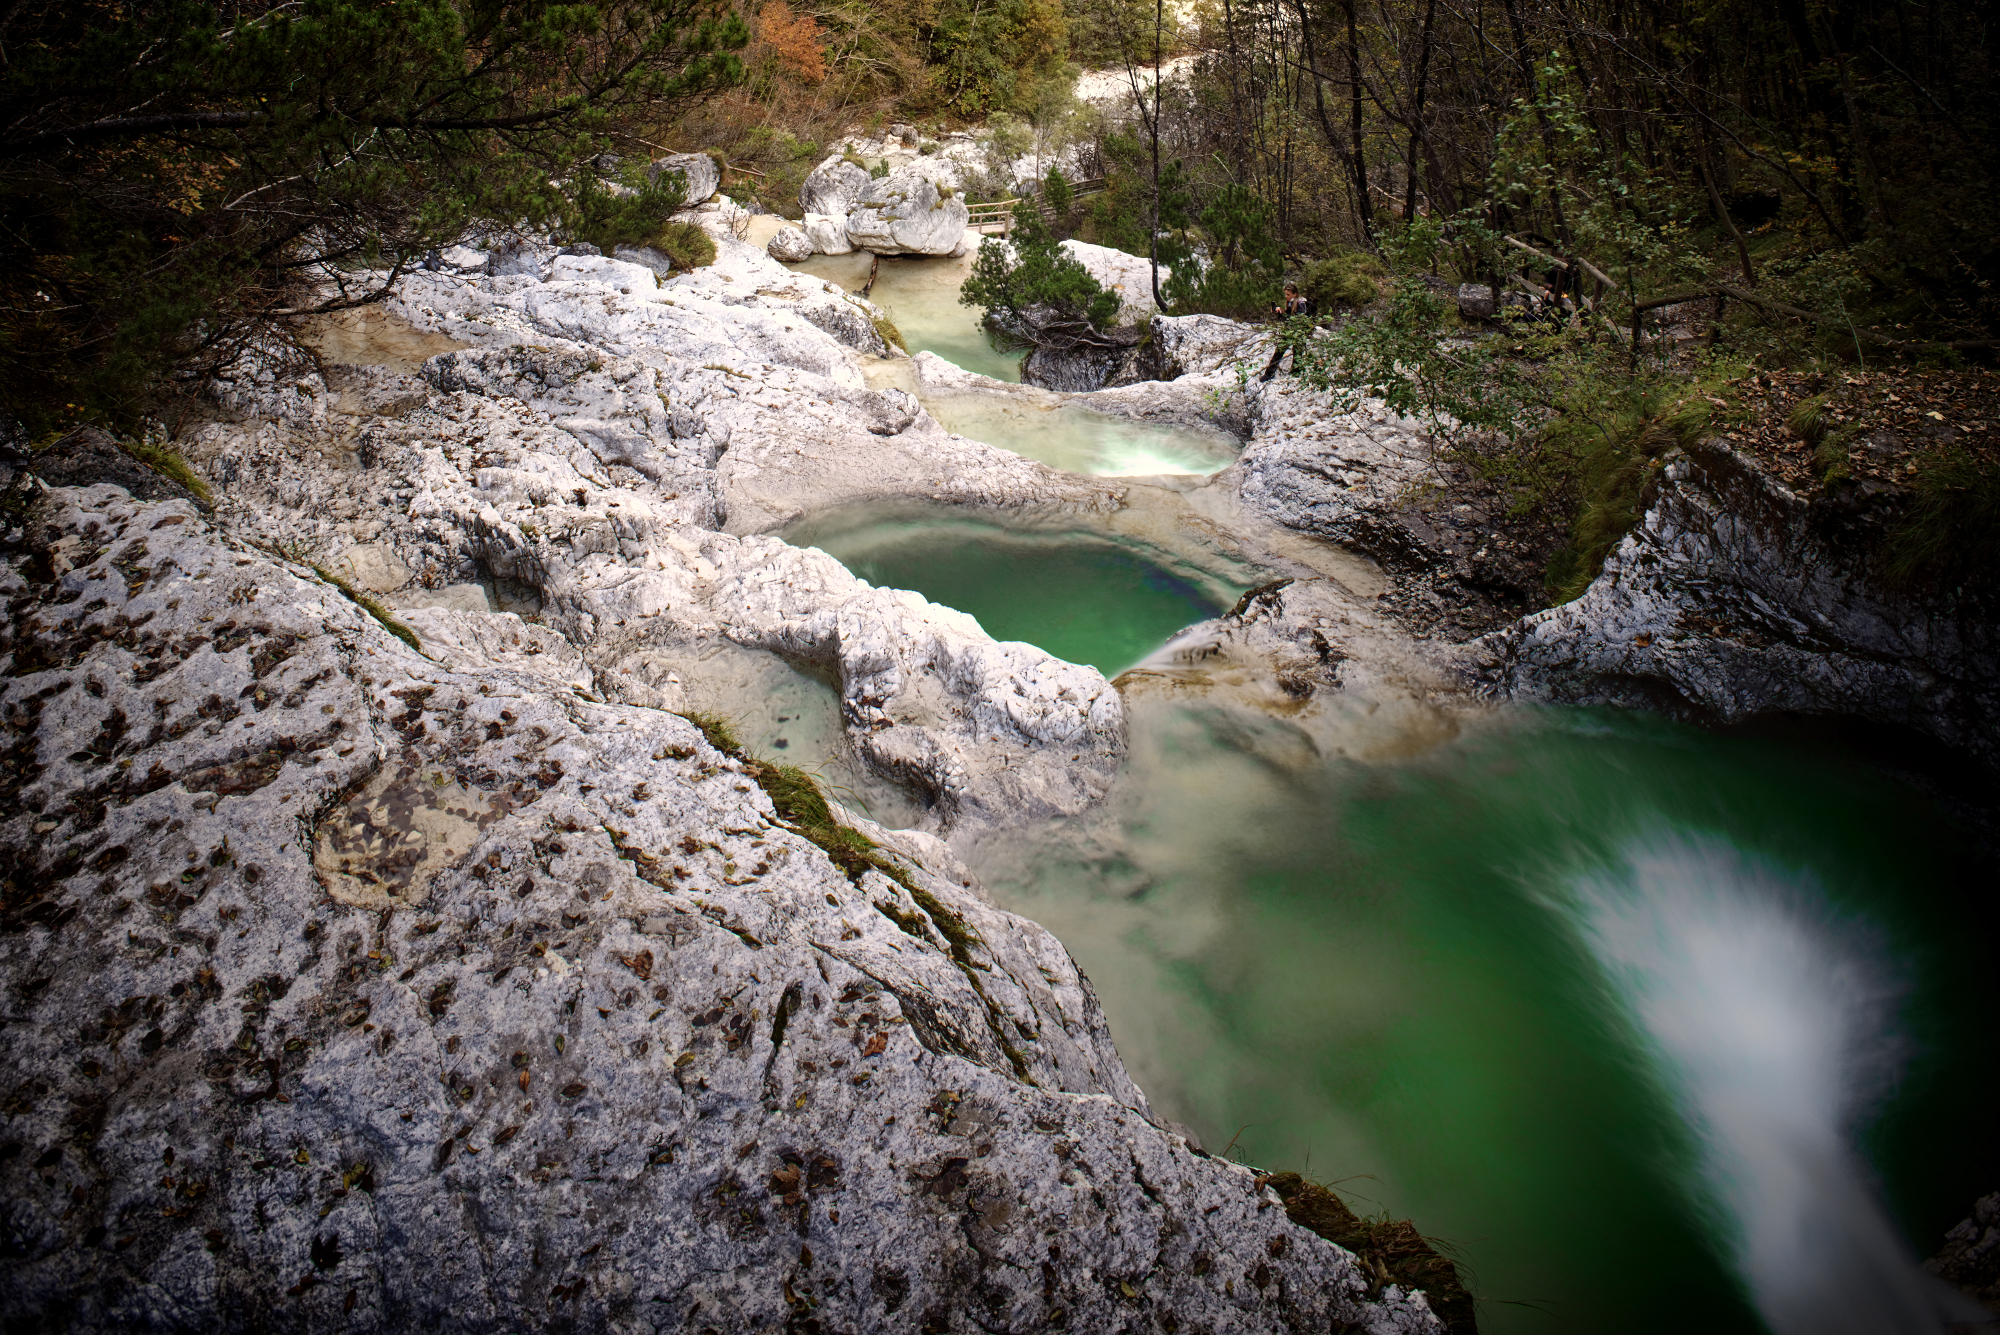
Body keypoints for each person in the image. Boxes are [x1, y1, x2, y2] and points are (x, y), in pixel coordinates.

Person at [1261, 282, 1313, 380]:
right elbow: (1288, 318)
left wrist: (1283, 314)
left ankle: (1295, 373)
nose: (1286, 296)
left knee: (1297, 352)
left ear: (1295, 294)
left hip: (1299, 331)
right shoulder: (1291, 303)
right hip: (1292, 330)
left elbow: (1298, 319)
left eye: (1288, 294)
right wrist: (1280, 313)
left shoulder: (1301, 304)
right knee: (1280, 350)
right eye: (1285, 294)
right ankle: (1269, 373)